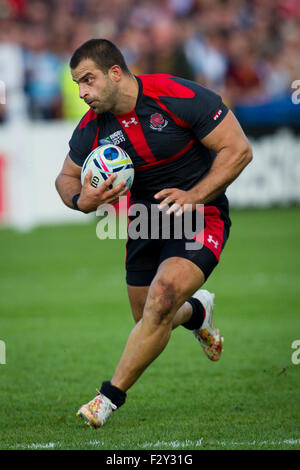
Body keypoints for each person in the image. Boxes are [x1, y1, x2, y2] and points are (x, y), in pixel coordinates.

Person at [55, 39, 253, 428]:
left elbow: (239, 149)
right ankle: (198, 310)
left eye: (88, 81)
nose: (82, 93)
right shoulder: (91, 128)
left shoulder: (177, 96)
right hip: (145, 222)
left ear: (115, 73)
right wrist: (83, 199)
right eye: (77, 83)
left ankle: (106, 399)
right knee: (148, 315)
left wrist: (195, 195)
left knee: (160, 301)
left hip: (201, 213)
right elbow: (65, 177)